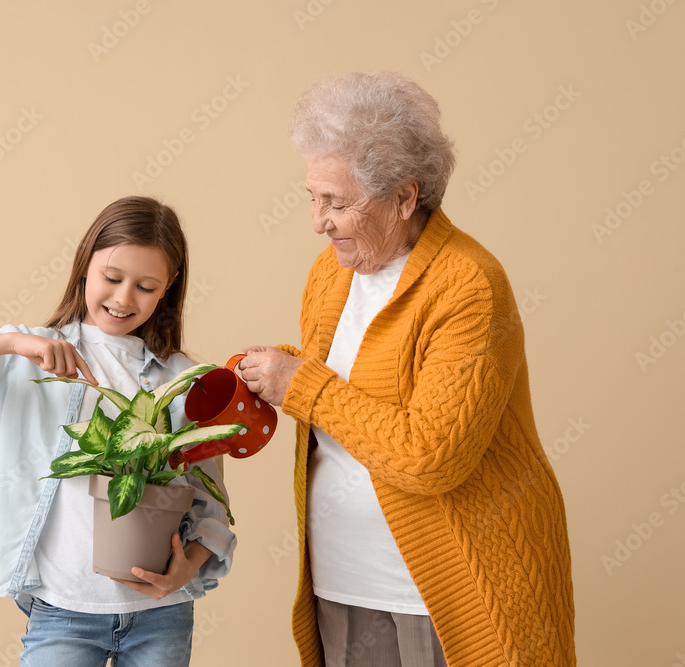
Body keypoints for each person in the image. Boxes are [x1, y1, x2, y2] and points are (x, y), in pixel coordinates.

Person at [238, 72, 576, 666]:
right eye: (312, 198)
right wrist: (277, 375)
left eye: (337, 203)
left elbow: (431, 455)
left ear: (403, 197)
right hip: (343, 581)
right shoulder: (330, 272)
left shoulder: (468, 283)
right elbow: (344, 397)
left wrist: (303, 386)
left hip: (447, 589)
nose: (318, 222)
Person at [0, 196, 235, 666]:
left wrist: (185, 570)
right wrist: (9, 341)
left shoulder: (183, 380)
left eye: (146, 286)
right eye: (112, 278)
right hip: (62, 611)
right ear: (85, 265)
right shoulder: (28, 355)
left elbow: (210, 502)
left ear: (168, 288)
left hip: (162, 614)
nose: (123, 298)